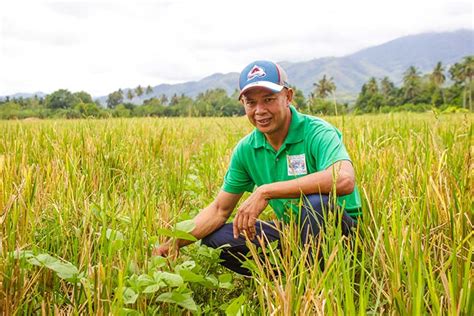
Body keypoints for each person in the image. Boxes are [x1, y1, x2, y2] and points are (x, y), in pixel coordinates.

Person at [153, 60, 362, 275]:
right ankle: (287, 278)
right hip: (292, 233)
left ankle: (319, 281)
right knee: (217, 239)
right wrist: (173, 244)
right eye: (251, 103)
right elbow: (219, 210)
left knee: (316, 203)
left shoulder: (317, 132)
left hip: (342, 233)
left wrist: (266, 191)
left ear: (288, 97)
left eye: (269, 99)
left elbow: (344, 179)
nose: (259, 111)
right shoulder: (247, 149)